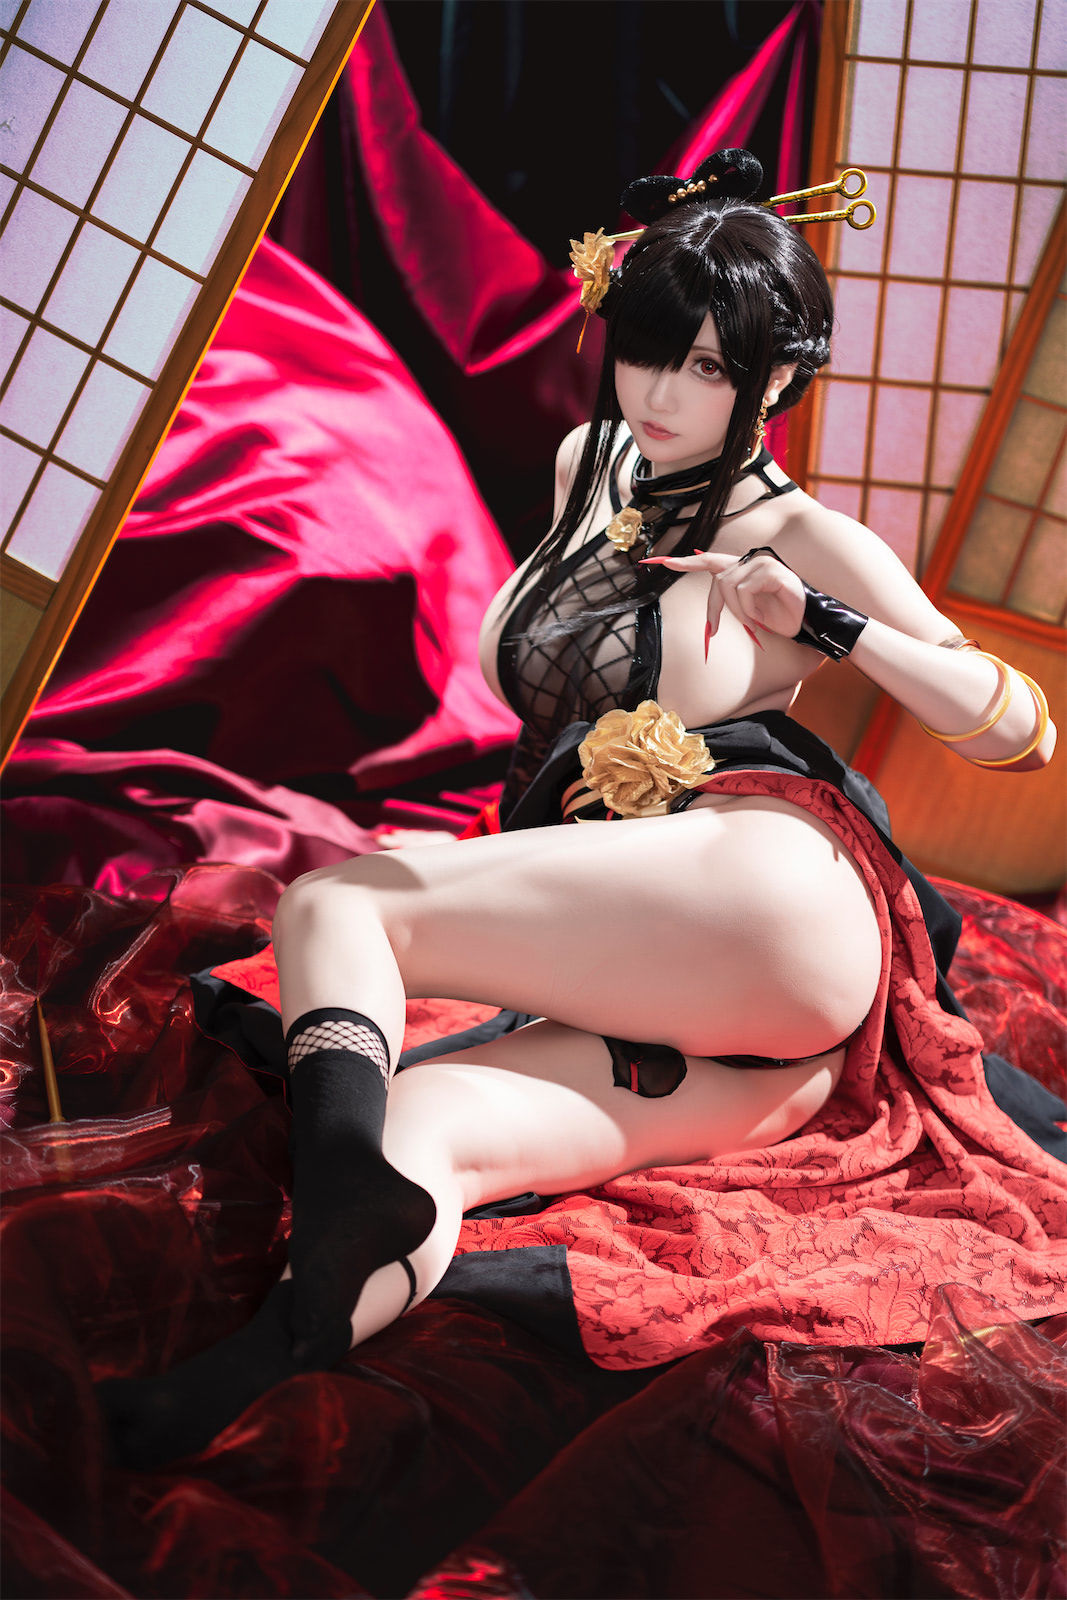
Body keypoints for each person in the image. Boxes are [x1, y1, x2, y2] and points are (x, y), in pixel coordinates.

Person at [98, 150, 1059, 1470]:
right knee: (426, 1130)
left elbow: (1020, 729)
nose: (662, 394)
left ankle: (333, 1191)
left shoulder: (805, 538)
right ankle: (264, 1359)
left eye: (709, 368)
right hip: (739, 1040)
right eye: (647, 352)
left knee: (337, 905)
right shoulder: (587, 465)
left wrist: (826, 622)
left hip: (769, 891)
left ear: (779, 382)